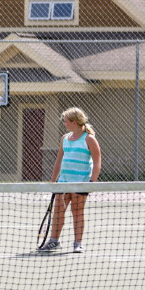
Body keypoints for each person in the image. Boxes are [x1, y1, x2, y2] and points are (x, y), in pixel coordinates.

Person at [39, 107, 101, 253]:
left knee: (77, 211)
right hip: (63, 182)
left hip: (81, 182)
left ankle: (78, 243)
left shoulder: (89, 139)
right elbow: (58, 161)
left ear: (74, 122)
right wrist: (53, 181)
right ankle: (54, 241)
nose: (64, 124)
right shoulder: (65, 138)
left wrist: (91, 182)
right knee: (59, 211)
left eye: (66, 121)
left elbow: (97, 162)